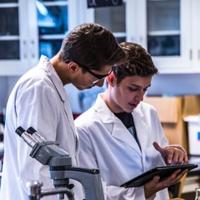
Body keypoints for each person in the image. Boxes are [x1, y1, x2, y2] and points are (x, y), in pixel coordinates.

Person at [0, 23, 126, 200]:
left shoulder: (52, 87)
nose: (100, 84)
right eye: (98, 77)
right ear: (73, 67)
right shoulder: (39, 89)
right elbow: (38, 173)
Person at [75, 42, 188, 200]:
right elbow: (88, 192)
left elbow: (155, 162)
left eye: (145, 89)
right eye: (133, 88)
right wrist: (141, 193)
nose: (140, 98)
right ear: (111, 79)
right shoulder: (84, 129)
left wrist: (171, 157)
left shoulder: (149, 113)